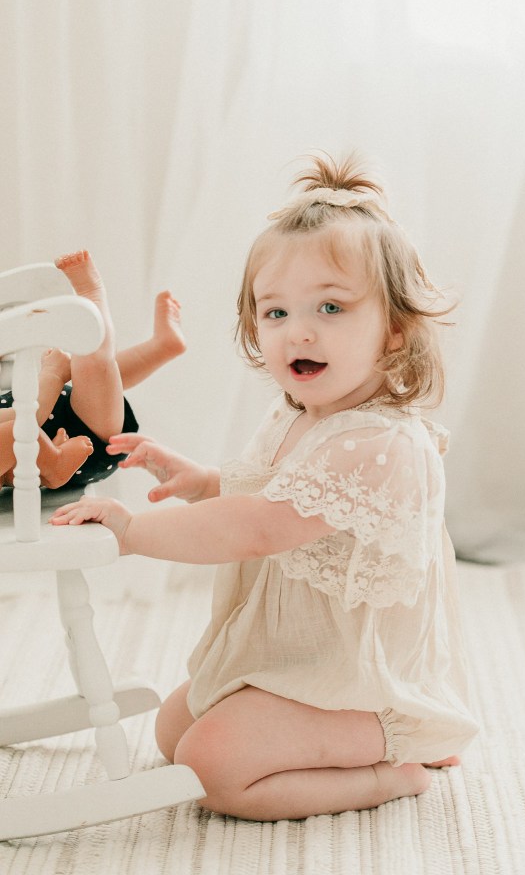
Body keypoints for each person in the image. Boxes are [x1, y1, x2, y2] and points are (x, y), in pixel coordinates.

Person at [50, 156, 479, 821]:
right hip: (288, 654)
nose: (297, 330)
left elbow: (258, 526)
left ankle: (392, 768)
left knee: (213, 769)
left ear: (394, 328)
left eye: (330, 307)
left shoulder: (378, 443)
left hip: (352, 678)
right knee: (173, 733)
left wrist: (131, 532)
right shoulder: (300, 416)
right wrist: (200, 481)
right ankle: (305, 735)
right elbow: (268, 495)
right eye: (274, 312)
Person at [1, 250, 186, 489]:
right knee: (94, 363)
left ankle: (162, 347)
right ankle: (91, 295)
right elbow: (25, 420)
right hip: (86, 439)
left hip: (61, 421)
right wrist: (53, 376)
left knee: (98, 373)